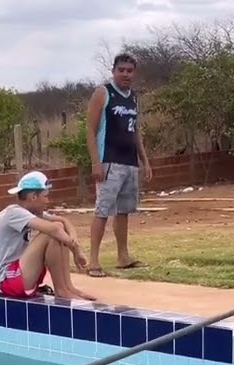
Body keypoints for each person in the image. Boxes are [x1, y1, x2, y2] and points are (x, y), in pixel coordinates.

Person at [84, 52, 151, 278]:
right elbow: (90, 130)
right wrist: (95, 162)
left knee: (123, 211)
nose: (125, 74)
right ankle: (93, 261)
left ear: (134, 73)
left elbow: (135, 131)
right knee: (103, 210)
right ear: (113, 71)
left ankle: (123, 256)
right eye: (121, 70)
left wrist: (144, 161)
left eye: (129, 71)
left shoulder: (132, 97)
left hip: (129, 162)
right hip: (109, 161)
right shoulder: (103, 93)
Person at [0, 170, 95, 301]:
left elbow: (64, 222)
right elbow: (54, 230)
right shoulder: (13, 213)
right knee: (50, 234)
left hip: (19, 275)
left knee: (57, 229)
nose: (48, 201)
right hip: (5, 281)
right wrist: (76, 251)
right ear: (33, 196)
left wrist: (74, 244)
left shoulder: (31, 213)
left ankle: (68, 288)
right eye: (45, 196)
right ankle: (62, 291)